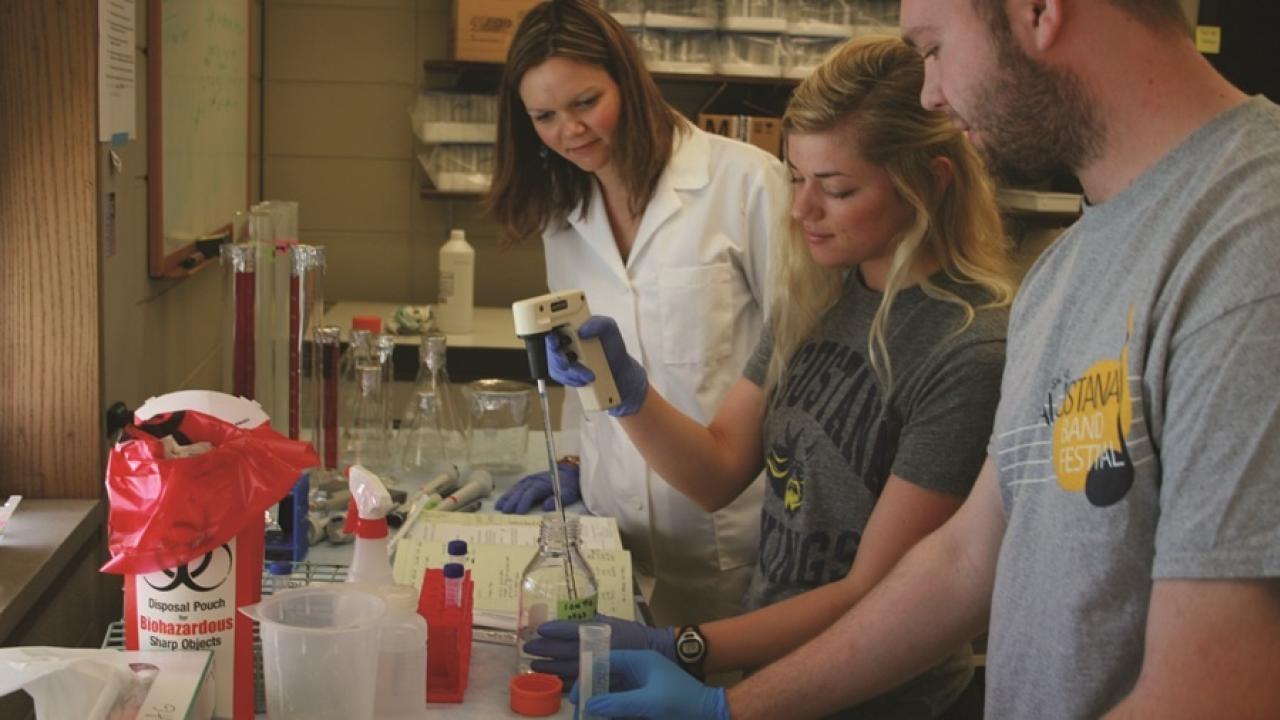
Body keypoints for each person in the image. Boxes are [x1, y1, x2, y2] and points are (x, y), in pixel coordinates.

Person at [576, 1, 1280, 719]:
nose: (929, 93)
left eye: (933, 47)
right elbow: (962, 562)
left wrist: (697, 656)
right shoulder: (1069, 266)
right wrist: (730, 705)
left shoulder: (1249, 246)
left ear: (1038, 11)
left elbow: (1218, 694)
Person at [534, 35, 1017, 718]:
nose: (801, 209)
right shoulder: (819, 298)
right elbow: (717, 471)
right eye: (797, 177)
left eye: (837, 187)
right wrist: (622, 388)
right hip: (775, 678)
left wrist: (683, 647)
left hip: (880, 699)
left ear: (931, 180)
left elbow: (876, 595)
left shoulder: (967, 348)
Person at [488, 0, 791, 627]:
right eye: (544, 116)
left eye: (585, 103)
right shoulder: (561, 215)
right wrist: (574, 460)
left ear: (628, 80)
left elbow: (797, 357)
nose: (569, 131)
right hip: (609, 542)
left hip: (730, 546)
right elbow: (579, 373)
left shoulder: (746, 184)